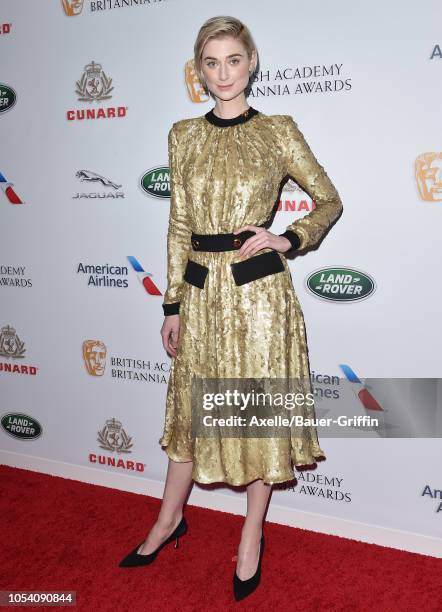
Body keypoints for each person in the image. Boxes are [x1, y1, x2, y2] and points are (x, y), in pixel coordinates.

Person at [119, 15, 343, 602]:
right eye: (211, 62)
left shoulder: (277, 130)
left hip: (258, 295)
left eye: (233, 60)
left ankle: (251, 534)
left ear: (251, 64)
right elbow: (178, 226)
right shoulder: (182, 135)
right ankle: (168, 520)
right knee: (191, 414)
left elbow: (328, 200)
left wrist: (286, 238)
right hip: (198, 293)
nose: (223, 73)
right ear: (199, 70)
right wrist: (171, 304)